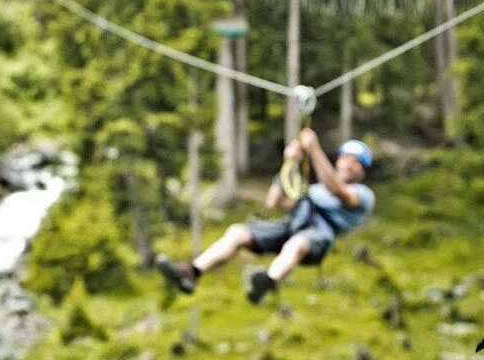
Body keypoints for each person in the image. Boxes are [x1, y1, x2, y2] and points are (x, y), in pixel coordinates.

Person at [156, 128, 375, 304]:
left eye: (356, 162)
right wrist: (289, 163)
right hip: (291, 224)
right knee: (237, 233)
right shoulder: (316, 189)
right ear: (338, 160)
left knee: (296, 243)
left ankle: (268, 280)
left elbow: (338, 190)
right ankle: (192, 272)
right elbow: (275, 202)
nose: (348, 164)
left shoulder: (363, 195)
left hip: (318, 233)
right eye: (346, 158)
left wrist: (314, 149)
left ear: (362, 172)